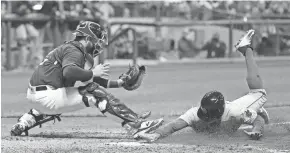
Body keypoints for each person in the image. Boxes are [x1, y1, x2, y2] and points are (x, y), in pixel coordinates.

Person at [10, 21, 163, 139]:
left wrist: (119, 83)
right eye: (97, 40)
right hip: (47, 98)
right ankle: (137, 125)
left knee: (88, 89)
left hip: (37, 97)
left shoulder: (71, 49)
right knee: (94, 94)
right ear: (88, 38)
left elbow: (88, 78)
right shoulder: (75, 51)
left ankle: (25, 121)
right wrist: (92, 73)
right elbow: (70, 73)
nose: (99, 44)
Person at [138, 29, 270, 142]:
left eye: (207, 117)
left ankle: (246, 50)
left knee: (259, 93)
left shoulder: (235, 112)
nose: (204, 118)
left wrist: (256, 131)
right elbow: (173, 126)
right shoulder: (195, 113)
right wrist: (156, 134)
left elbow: (257, 120)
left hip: (240, 108)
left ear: (218, 114)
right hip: (232, 110)